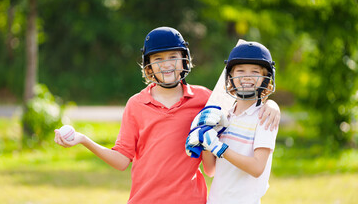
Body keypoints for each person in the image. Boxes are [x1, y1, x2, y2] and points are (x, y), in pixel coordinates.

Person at [54, 27, 280, 204]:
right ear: (148, 67)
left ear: (185, 60)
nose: (167, 65)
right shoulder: (136, 104)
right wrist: (83, 139)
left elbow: (245, 98)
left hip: (192, 201)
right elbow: (122, 161)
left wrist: (272, 105)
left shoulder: (206, 99)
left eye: (173, 57)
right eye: (158, 59)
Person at [186, 41, 279, 204]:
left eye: (255, 71)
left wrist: (220, 148)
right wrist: (206, 140)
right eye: (240, 70)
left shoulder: (265, 117)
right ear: (230, 77)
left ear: (266, 78)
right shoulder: (223, 116)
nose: (247, 76)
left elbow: (257, 168)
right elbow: (210, 170)